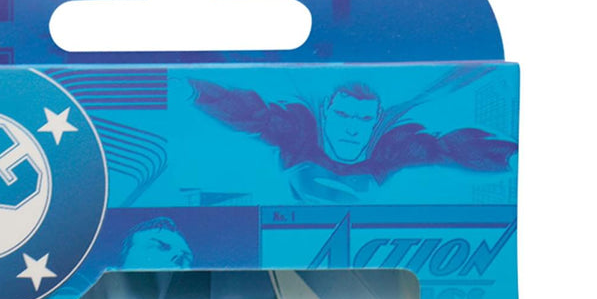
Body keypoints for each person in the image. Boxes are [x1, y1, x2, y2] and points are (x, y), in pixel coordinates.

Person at [189, 75, 516, 204]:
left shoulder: (392, 146)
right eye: (344, 116)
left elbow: (447, 147)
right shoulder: (298, 130)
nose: (351, 130)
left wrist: (509, 156)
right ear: (326, 112)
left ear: (376, 120)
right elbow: (248, 112)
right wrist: (191, 89)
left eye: (362, 120)